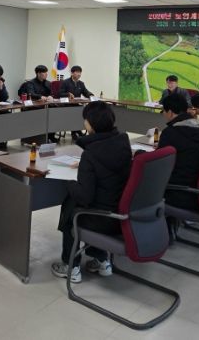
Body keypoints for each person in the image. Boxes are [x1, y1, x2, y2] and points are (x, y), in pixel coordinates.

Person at [51, 101, 132, 283]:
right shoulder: (122, 142)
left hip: (103, 219)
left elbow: (84, 197)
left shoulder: (91, 153)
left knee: (70, 208)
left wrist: (68, 182)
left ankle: (71, 266)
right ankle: (102, 260)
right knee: (91, 203)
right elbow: (107, 170)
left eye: (85, 119)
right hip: (122, 212)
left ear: (91, 124)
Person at [157, 93, 199, 211]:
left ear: (170, 112)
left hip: (177, 192)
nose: (164, 115)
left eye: (163, 111)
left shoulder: (170, 133)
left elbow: (158, 166)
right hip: (198, 190)